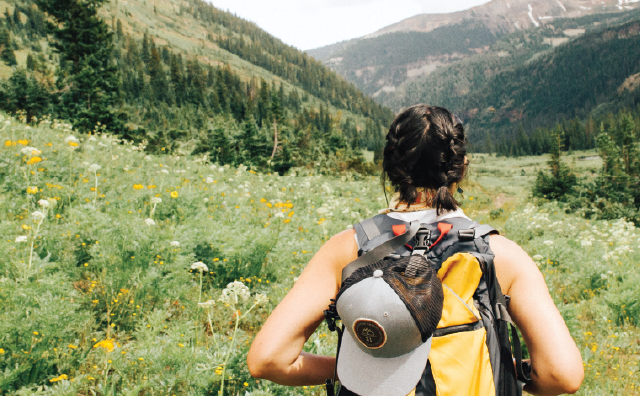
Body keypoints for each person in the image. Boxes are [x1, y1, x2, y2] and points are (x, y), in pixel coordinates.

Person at [247, 104, 583, 396]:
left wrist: (346, 370)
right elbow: (562, 375)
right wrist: (507, 374)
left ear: (390, 168)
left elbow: (269, 359)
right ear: (462, 167)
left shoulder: (348, 248)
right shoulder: (501, 255)